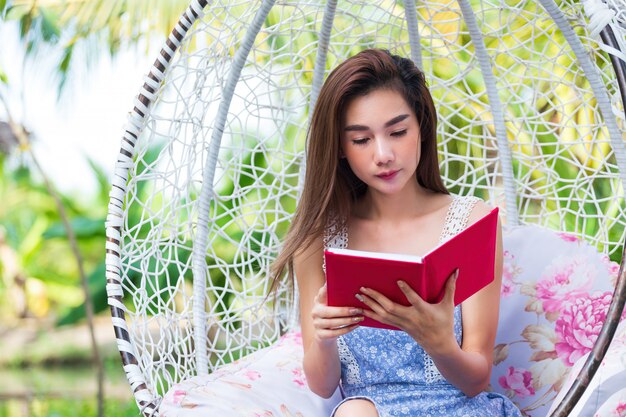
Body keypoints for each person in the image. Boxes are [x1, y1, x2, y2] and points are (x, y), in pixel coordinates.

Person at [271, 48, 522, 417]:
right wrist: (323, 338)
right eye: (361, 140)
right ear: (340, 148)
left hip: (461, 408)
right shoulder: (317, 241)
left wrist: (439, 343)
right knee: (352, 412)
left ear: (421, 126)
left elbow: (475, 380)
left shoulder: (471, 222)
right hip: (365, 412)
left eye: (398, 131)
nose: (383, 154)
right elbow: (323, 386)